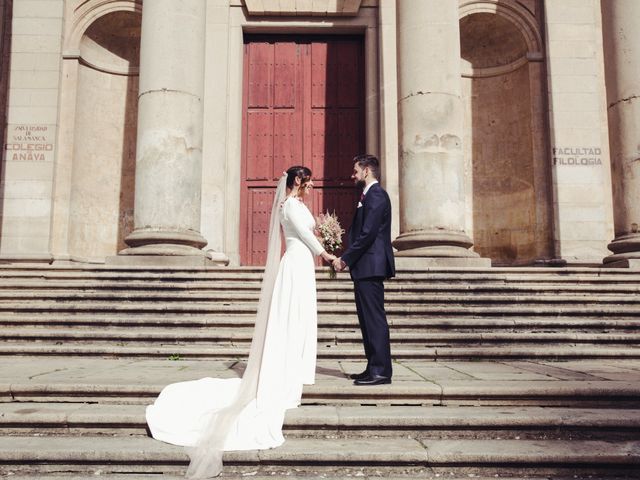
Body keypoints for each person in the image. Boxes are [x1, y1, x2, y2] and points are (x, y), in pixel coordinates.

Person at [145, 166, 336, 478]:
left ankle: (296, 367)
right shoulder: (288, 205)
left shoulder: (299, 205)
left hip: (304, 265)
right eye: (309, 179)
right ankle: (287, 373)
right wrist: (327, 254)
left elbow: (308, 232)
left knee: (300, 317)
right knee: (292, 315)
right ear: (298, 181)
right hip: (298, 263)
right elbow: (303, 235)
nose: (313, 184)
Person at [333, 154, 395, 386]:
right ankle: (373, 367)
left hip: (371, 266)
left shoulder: (377, 195)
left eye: (356, 170)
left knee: (374, 320)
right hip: (365, 267)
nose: (353, 175)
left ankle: (381, 371)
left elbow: (368, 233)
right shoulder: (368, 195)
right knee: (367, 320)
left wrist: (345, 259)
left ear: (367, 170)